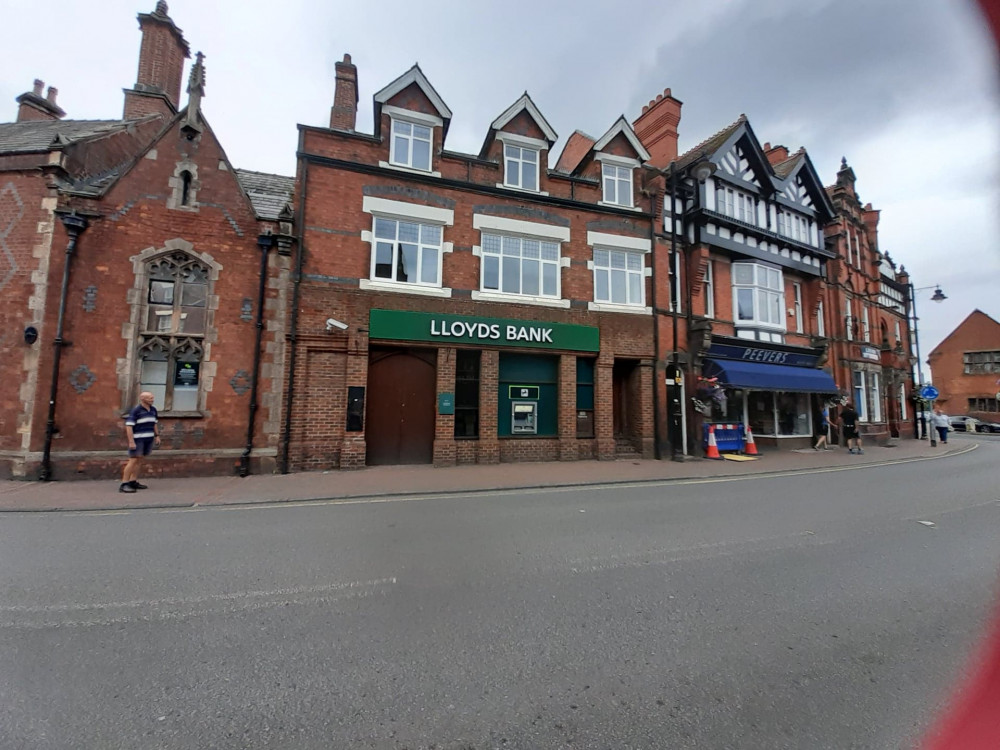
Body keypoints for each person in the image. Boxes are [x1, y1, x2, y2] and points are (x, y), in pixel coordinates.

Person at [120, 391, 160, 493]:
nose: (152, 399)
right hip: (138, 439)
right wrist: (131, 441)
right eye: (150, 398)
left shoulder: (153, 410)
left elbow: (154, 423)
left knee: (140, 460)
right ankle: (124, 483)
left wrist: (157, 435)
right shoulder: (136, 411)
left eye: (152, 397)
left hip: (148, 438)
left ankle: (133, 481)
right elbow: (129, 426)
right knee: (133, 460)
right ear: (143, 399)